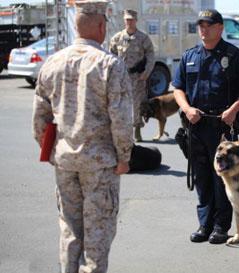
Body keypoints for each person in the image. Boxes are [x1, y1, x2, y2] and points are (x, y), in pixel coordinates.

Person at [32, 1, 133, 272]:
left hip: (65, 162)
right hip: (100, 165)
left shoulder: (52, 63)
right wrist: (124, 157)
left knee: (69, 229)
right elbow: (122, 120)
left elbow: (40, 118)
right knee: (98, 233)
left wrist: (52, 151)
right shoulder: (110, 65)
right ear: (101, 26)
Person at [172, 9, 239, 244]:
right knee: (201, 177)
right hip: (196, 125)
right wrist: (187, 109)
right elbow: (177, 87)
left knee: (222, 176)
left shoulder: (234, 55)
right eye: (201, 24)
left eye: (208, 25)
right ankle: (205, 224)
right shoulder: (190, 56)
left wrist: (233, 110)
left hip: (222, 127)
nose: (203, 29)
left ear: (220, 28)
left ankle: (221, 226)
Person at [110, 9, 155, 142]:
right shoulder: (117, 38)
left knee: (137, 105)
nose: (129, 22)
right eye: (127, 20)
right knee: (120, 104)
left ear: (136, 21)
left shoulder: (143, 38)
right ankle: (122, 131)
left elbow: (151, 55)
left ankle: (137, 130)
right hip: (121, 77)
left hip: (137, 77)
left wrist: (146, 72)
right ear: (124, 21)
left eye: (132, 20)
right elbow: (110, 56)